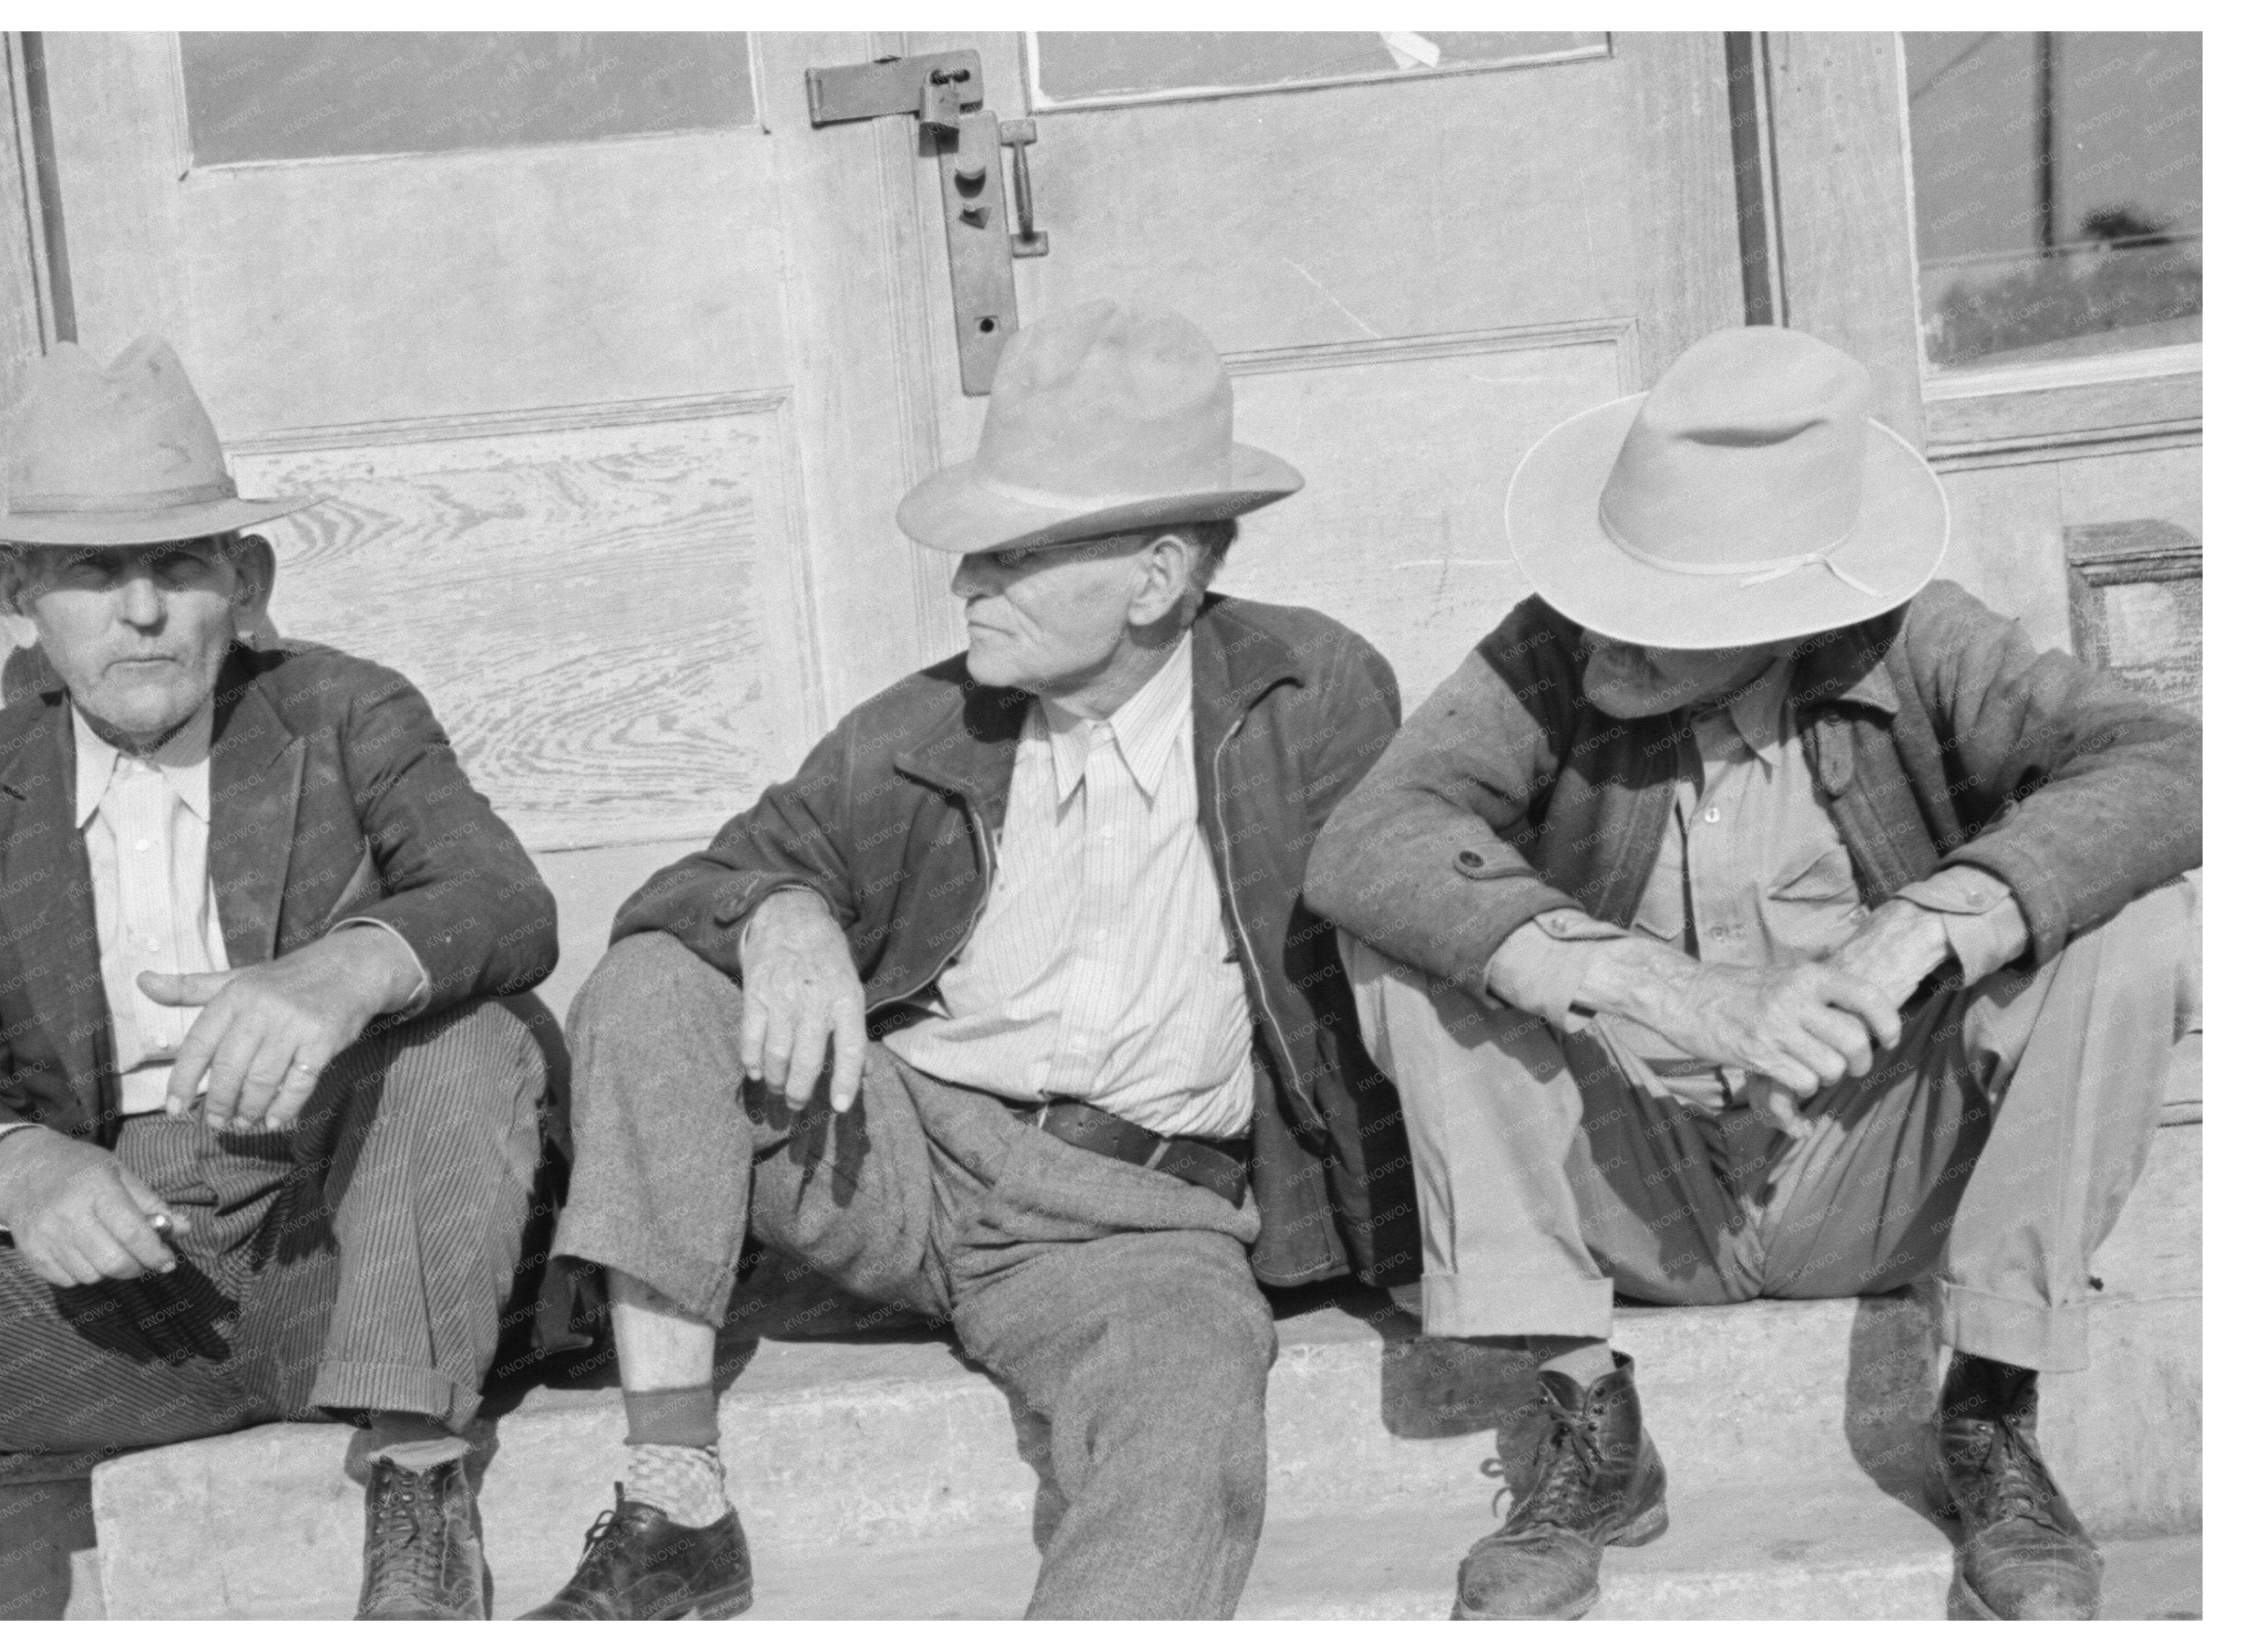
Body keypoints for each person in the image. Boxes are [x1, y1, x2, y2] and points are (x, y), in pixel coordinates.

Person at [523, 301, 1413, 1620]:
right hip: (898, 1153)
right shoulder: (924, 724)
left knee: (1178, 1442)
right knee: (653, 983)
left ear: (1159, 575)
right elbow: (689, 888)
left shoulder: (1310, 695)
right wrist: (780, 913)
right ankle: (673, 1496)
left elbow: (1429, 883)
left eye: (1008, 555)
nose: (964, 586)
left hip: (1136, 1217)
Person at [1305, 324, 2199, 1621]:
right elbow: (1371, 841)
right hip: (1630, 1181)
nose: (1609, 644)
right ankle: (1580, 1413)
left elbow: (2170, 763)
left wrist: (1931, 921)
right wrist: (1668, 988)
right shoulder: (1551, 652)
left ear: (1790, 620)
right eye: (1608, 598)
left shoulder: (1925, 640)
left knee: (2130, 922)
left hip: (1865, 1170)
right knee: (1408, 937)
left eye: (1660, 625)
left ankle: (1993, 1410)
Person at [0, 337, 559, 1621]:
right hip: (113, 1299)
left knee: (471, 1031)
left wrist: (341, 970)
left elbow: (499, 901)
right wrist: (17, 1166)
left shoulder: (343, 713)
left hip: (349, 1246)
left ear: (245, 577)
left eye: (178, 566)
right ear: (18, 593)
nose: (143, 612)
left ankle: (419, 1498)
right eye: (93, 575)